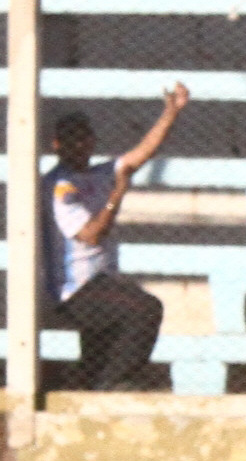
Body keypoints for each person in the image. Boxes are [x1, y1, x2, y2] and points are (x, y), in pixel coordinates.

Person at [44, 87, 188, 389]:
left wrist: (172, 112)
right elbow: (92, 235)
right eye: (71, 139)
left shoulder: (99, 174)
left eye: (84, 138)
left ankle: (95, 388)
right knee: (145, 309)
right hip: (76, 291)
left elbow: (141, 154)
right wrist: (118, 194)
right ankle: (116, 385)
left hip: (102, 282)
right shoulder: (59, 186)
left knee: (98, 357)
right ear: (57, 145)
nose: (79, 145)